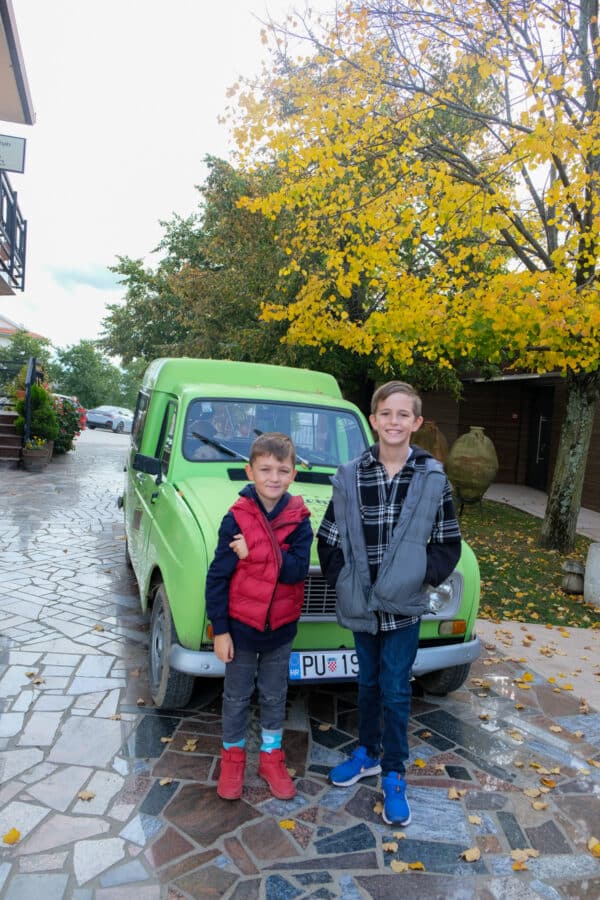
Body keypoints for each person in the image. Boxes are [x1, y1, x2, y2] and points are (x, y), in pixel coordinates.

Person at [317, 381, 461, 826]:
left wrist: (418, 580)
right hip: (363, 602)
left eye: (404, 414)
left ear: (416, 422)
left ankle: (394, 773)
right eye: (386, 413)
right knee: (368, 684)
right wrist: (344, 579)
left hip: (403, 607)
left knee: (397, 690)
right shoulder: (350, 474)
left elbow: (447, 542)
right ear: (373, 419)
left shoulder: (433, 478)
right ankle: (368, 754)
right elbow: (330, 536)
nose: (394, 421)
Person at [206, 432, 313, 801]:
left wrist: (255, 554)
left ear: (293, 474)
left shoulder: (300, 520)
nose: (273, 477)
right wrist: (220, 630)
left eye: (282, 470)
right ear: (249, 472)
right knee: (235, 697)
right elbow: (218, 577)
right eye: (265, 469)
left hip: (280, 631)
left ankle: (270, 757)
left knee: (273, 695)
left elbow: (297, 570)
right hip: (241, 629)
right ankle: (233, 758)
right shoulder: (234, 519)